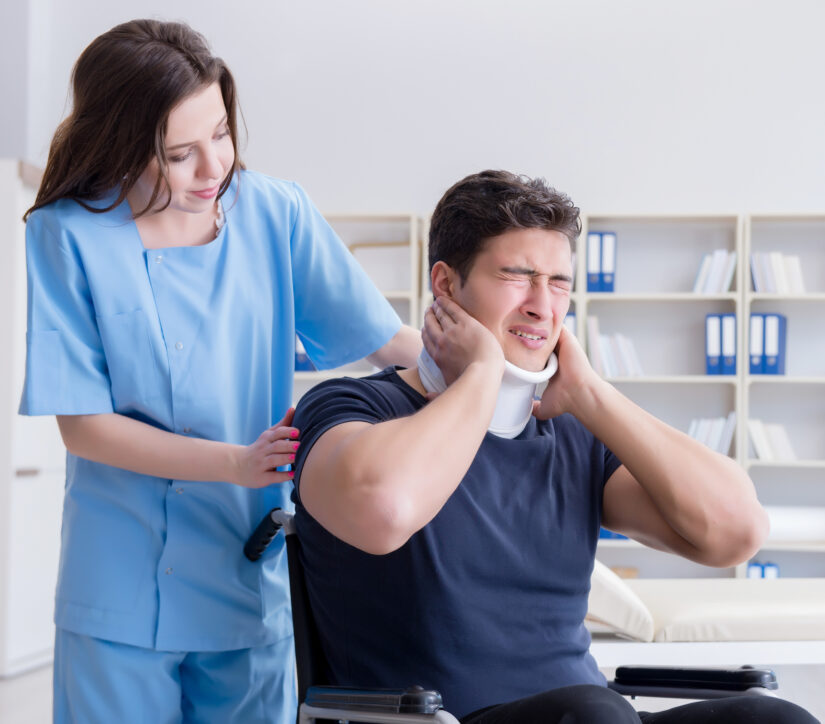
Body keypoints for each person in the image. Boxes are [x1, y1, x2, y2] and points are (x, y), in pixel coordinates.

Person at [290, 170, 819, 723]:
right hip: (444, 718)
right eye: (517, 276)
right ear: (445, 285)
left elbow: (736, 532)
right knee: (594, 713)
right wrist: (481, 374)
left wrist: (592, 394)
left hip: (591, 717)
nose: (543, 305)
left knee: (774, 718)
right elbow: (384, 510)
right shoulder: (348, 410)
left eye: (559, 283)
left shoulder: (572, 431)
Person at [19, 18, 421, 724]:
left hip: (242, 572)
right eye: (179, 154)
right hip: (117, 582)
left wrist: (497, 384)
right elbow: (82, 425)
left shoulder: (275, 212)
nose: (214, 170)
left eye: (222, 135)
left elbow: (387, 343)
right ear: (120, 144)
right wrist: (235, 462)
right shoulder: (68, 232)